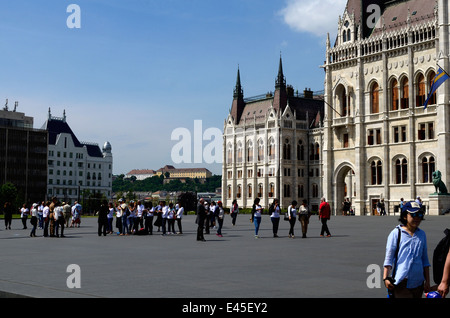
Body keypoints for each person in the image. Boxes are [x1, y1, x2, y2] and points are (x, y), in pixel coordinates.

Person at [383, 201, 431, 298]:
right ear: (405, 216)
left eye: (420, 214)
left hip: (418, 282)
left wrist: (427, 282)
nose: (417, 218)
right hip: (402, 282)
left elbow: (425, 260)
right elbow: (388, 259)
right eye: (413, 214)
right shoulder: (396, 233)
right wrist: (385, 278)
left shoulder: (422, 234)